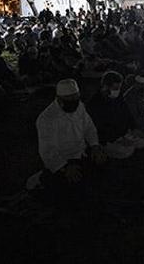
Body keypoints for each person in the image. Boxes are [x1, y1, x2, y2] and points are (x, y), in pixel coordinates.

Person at [36, 79, 107, 207]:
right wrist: (64, 167)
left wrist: (95, 146)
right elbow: (47, 150)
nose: (74, 102)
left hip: (82, 153)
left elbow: (89, 128)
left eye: (76, 98)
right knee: (76, 191)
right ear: (59, 99)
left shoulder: (79, 106)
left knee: (104, 173)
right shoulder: (47, 119)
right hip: (64, 161)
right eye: (70, 100)